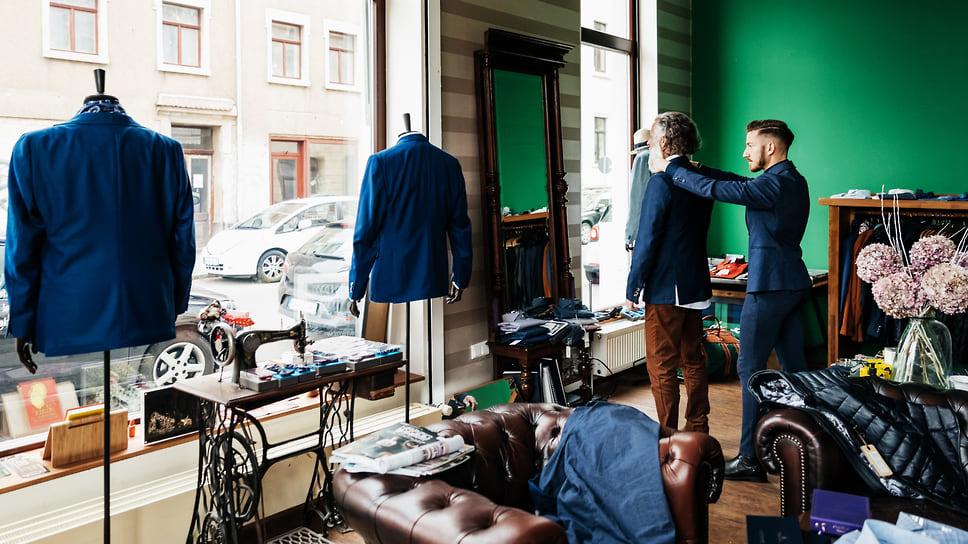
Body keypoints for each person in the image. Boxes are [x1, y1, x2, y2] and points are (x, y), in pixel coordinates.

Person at [652, 119, 811, 482]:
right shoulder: (791, 180)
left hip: (769, 287)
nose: (744, 152)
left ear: (770, 147)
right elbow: (733, 181)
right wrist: (694, 166)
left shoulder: (773, 184)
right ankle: (807, 447)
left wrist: (672, 169)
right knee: (795, 371)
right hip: (791, 284)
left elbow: (719, 190)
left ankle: (750, 459)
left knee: (749, 368)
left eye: (750, 145)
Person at [624, 112, 713, 434]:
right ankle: (698, 428)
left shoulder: (661, 182)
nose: (648, 148)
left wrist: (633, 287)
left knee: (661, 364)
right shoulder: (699, 177)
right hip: (695, 282)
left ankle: (668, 435)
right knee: (694, 359)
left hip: (666, 287)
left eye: (650, 142)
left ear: (663, 142)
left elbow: (647, 239)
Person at [624, 127, 652, 252]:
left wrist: (629, 235)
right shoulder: (660, 158)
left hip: (648, 224)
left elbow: (637, 198)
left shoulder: (642, 158)